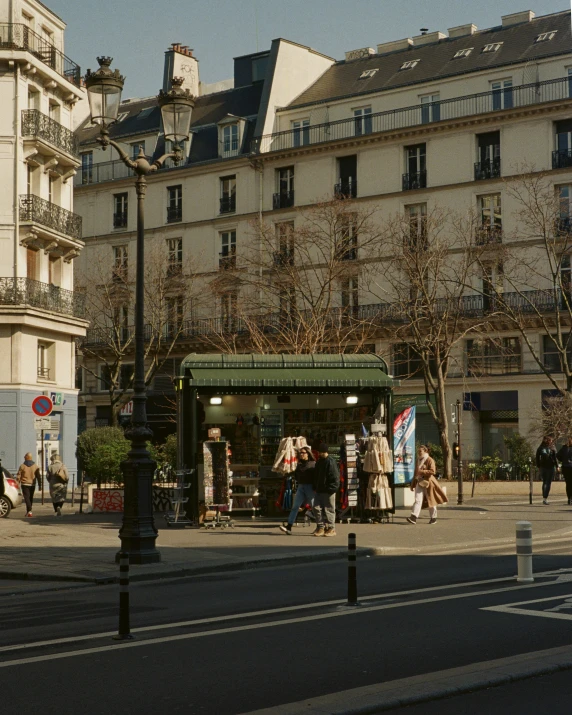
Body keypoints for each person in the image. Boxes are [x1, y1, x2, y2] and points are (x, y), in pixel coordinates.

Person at [406, 445, 448, 525]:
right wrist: (412, 484)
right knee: (418, 500)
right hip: (419, 482)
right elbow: (415, 473)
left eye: (420, 451)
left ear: (425, 451)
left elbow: (432, 471)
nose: (419, 452)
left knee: (430, 500)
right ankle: (413, 517)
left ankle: (433, 518)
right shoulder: (418, 460)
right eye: (418, 451)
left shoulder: (430, 460)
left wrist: (422, 471)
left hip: (428, 483)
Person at [279, 446, 315, 535]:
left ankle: (321, 526)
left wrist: (315, 488)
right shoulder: (298, 464)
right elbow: (296, 475)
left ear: (308, 454)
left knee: (315, 507)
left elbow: (316, 477)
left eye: (303, 453)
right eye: (300, 453)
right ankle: (289, 526)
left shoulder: (313, 464)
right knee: (295, 506)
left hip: (310, 487)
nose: (301, 454)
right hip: (301, 487)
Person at [312, 443, 340, 537]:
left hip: (328, 490)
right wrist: (315, 486)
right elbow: (316, 475)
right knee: (316, 508)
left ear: (324, 452)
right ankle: (321, 527)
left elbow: (335, 477)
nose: (319, 454)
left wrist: (332, 488)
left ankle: (331, 528)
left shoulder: (330, 462)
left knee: (329, 509)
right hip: (320, 489)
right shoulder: (320, 462)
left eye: (320, 452)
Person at [17, 452, 41, 518]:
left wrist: (18, 482)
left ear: (27, 457)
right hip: (32, 484)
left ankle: (29, 510)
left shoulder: (22, 466)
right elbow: (38, 476)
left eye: (25, 456)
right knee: (30, 498)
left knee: (26, 498)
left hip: (25, 483)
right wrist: (40, 485)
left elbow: (19, 475)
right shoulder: (35, 466)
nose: (24, 457)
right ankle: (29, 512)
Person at [537, 435, 558, 505]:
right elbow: (555, 458)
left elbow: (537, 458)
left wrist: (538, 466)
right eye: (550, 440)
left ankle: (544, 498)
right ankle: (545, 497)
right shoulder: (549, 447)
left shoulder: (543, 448)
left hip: (547, 467)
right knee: (547, 482)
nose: (551, 441)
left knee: (546, 482)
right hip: (547, 467)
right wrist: (557, 466)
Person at [557, 437, 572, 506]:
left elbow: (558, 455)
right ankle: (570, 498)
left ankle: (569, 498)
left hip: (565, 467)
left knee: (568, 483)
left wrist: (563, 460)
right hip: (569, 467)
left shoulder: (563, 448)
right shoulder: (565, 448)